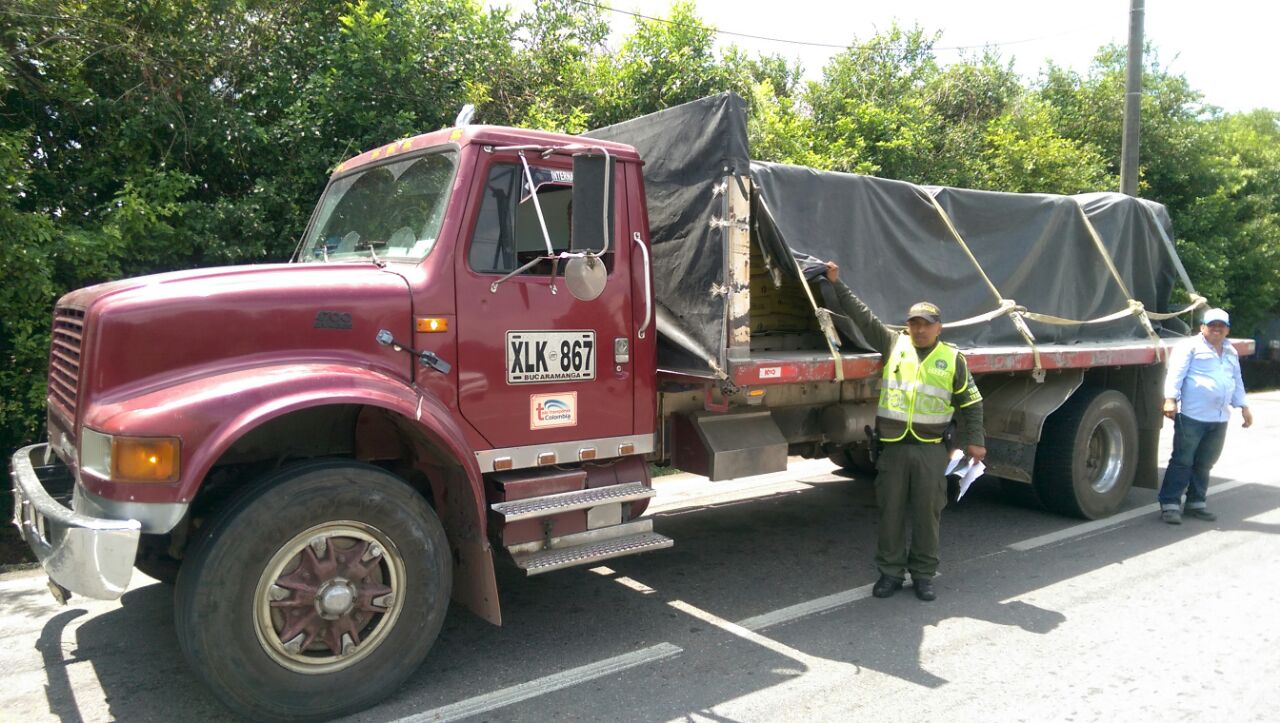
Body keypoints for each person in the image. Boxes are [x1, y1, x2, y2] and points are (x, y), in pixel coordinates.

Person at [824, 262, 985, 602]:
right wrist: (838, 285)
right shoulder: (894, 344)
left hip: (930, 450)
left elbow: (971, 402)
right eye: (914, 323)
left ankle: (924, 575)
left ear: (938, 328)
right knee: (891, 513)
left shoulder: (952, 359)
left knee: (928, 515)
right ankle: (890, 574)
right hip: (893, 448)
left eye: (926, 324)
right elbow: (862, 316)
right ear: (908, 326)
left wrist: (977, 442)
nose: (919, 329)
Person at [1157, 307, 1253, 524]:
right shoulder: (1189, 346)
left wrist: (1243, 406)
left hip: (1219, 417)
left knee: (1205, 462)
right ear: (1202, 327)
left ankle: (1196, 503)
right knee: (1183, 460)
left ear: (1227, 329)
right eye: (1212, 325)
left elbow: (1236, 380)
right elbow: (1175, 373)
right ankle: (1170, 504)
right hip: (1192, 414)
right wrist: (1170, 399)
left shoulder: (1230, 351)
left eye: (1221, 326)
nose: (1216, 329)